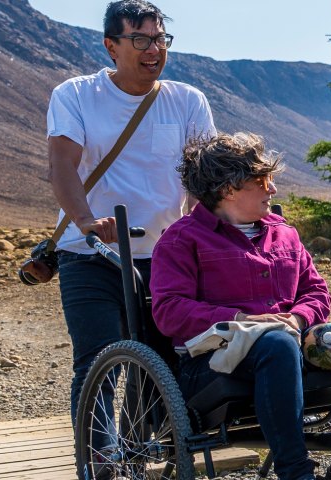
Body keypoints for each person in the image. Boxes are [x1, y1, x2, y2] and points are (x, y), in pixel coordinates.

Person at [150, 133, 331, 480]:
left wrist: (299, 318)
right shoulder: (181, 240)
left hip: (290, 344)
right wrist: (244, 320)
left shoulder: (285, 233)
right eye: (261, 181)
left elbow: (316, 291)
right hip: (215, 363)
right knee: (276, 342)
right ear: (228, 189)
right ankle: (295, 472)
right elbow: (170, 311)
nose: (272, 189)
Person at [46, 0, 212, 456]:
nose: (153, 49)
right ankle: (98, 460)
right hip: (91, 252)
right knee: (99, 358)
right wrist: (86, 223)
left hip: (164, 255)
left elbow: (202, 180)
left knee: (162, 357)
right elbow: (63, 166)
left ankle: (146, 450)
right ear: (111, 46)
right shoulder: (76, 95)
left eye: (159, 39)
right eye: (140, 40)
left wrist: (210, 230)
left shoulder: (187, 100)